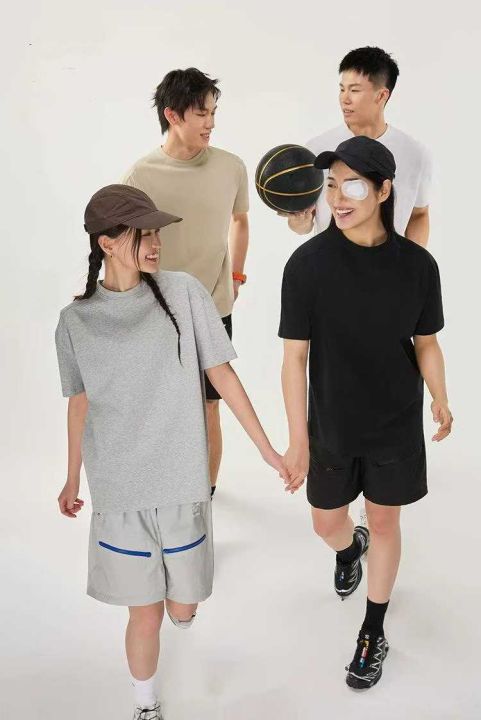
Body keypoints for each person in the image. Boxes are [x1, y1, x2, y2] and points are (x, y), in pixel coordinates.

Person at [55, 185, 292, 720]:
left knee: (182, 607)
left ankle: (182, 617)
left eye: (157, 232)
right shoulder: (75, 322)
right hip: (121, 491)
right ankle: (145, 705)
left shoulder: (184, 293)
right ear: (107, 243)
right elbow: (79, 402)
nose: (156, 243)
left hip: (183, 481)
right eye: (143, 234)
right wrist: (72, 477)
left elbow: (221, 375)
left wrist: (268, 451)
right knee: (144, 614)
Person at [278, 136, 452, 689]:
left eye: (352, 186)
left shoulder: (417, 266)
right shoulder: (307, 266)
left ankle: (373, 630)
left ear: (383, 190)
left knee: (385, 521)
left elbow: (426, 342)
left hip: (395, 421)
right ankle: (350, 548)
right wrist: (298, 439)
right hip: (331, 423)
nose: (337, 198)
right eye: (330, 185)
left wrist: (440, 395)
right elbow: (294, 359)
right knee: (326, 522)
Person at [122, 67, 249, 498]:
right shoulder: (140, 176)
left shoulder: (231, 166)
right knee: (164, 406)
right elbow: (124, 244)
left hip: (214, 307)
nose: (210, 123)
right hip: (158, 310)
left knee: (210, 404)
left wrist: (236, 275)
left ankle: (203, 494)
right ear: (173, 115)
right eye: (201, 114)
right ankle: (163, 485)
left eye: (213, 112)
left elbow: (240, 221)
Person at [285, 46, 432, 247]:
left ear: (381, 96)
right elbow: (303, 226)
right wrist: (298, 221)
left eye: (354, 90)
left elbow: (419, 214)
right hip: (331, 263)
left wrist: (413, 261)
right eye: (342, 89)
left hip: (389, 264)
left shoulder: (415, 154)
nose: (344, 99)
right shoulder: (317, 149)